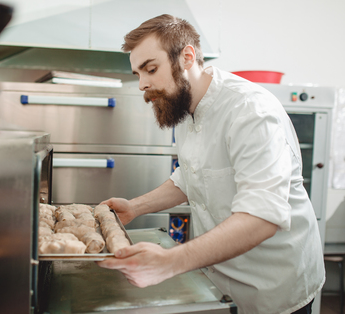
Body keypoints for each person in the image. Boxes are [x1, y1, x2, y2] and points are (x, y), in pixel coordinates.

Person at [97, 14, 325, 314]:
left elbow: (262, 216)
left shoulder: (251, 112)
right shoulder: (187, 109)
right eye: (137, 74)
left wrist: (171, 262)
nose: (142, 84)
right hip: (218, 281)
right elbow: (190, 175)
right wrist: (136, 207)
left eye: (150, 69)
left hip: (273, 289)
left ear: (187, 57)